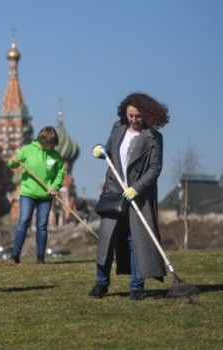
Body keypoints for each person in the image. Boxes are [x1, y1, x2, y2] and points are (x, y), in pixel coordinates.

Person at [88, 92, 169, 301]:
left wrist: (137, 188)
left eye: (137, 116)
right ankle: (101, 283)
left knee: (137, 241)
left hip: (138, 197)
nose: (133, 119)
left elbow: (155, 168)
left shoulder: (153, 137)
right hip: (114, 192)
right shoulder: (118, 129)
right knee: (107, 240)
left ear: (147, 116)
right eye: (130, 115)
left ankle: (136, 287)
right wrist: (100, 149)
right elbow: (110, 152)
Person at [8, 126, 65, 264]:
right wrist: (14, 161)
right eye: (49, 144)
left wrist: (55, 186)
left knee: (41, 225)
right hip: (28, 193)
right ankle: (15, 255)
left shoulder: (56, 156)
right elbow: (12, 164)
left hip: (46, 195)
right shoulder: (27, 150)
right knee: (24, 222)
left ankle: (40, 257)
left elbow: (60, 174)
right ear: (42, 140)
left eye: (53, 144)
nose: (51, 147)